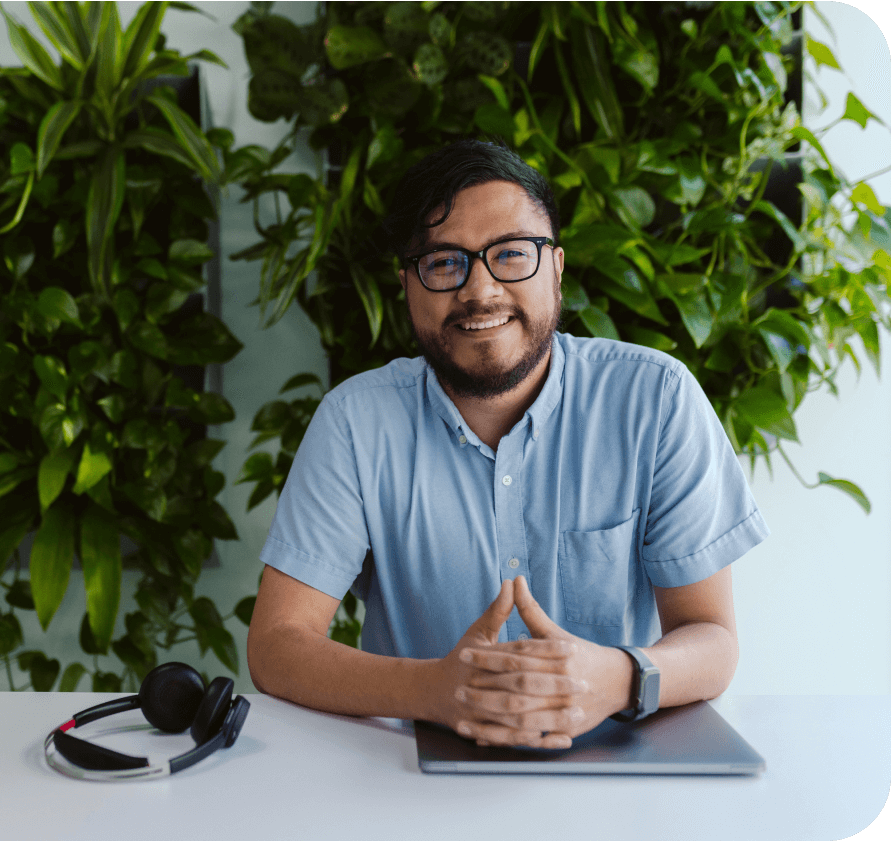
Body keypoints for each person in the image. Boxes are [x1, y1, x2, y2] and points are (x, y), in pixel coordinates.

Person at [245, 139, 770, 750]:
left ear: (557, 266)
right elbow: (277, 644)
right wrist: (435, 692)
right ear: (407, 284)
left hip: (620, 772)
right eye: (444, 262)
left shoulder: (656, 399)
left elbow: (712, 638)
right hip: (408, 781)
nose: (480, 291)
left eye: (511, 255)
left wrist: (617, 677)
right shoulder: (355, 422)